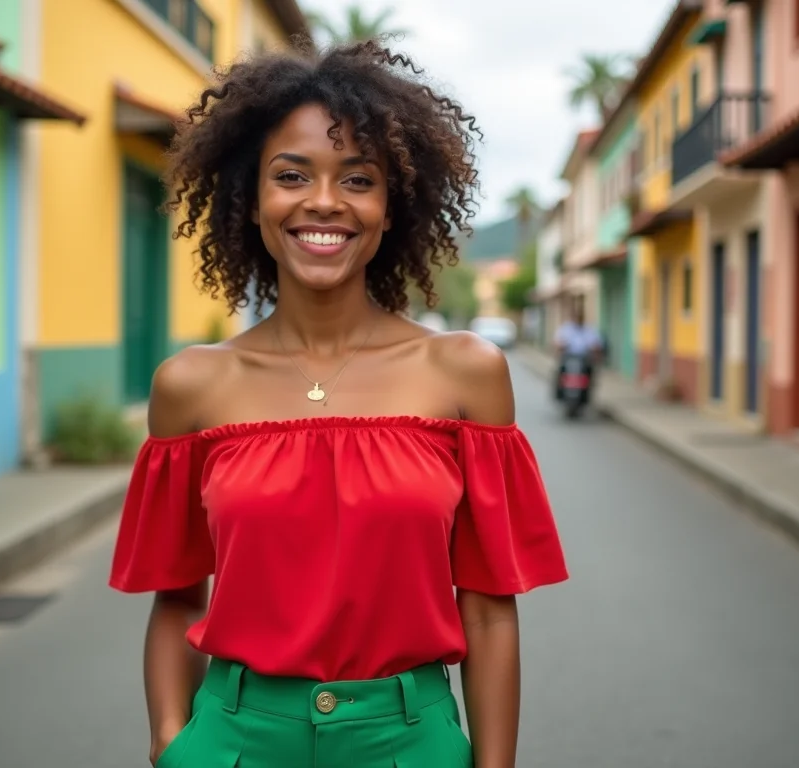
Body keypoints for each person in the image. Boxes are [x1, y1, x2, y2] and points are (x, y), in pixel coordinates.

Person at [109, 39, 569, 768]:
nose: (324, 201)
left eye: (357, 179)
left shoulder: (464, 374)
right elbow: (177, 602)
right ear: (250, 198)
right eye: (291, 176)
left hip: (410, 742)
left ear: (391, 208)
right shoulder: (190, 387)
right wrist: (170, 743)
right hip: (232, 742)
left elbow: (487, 612)